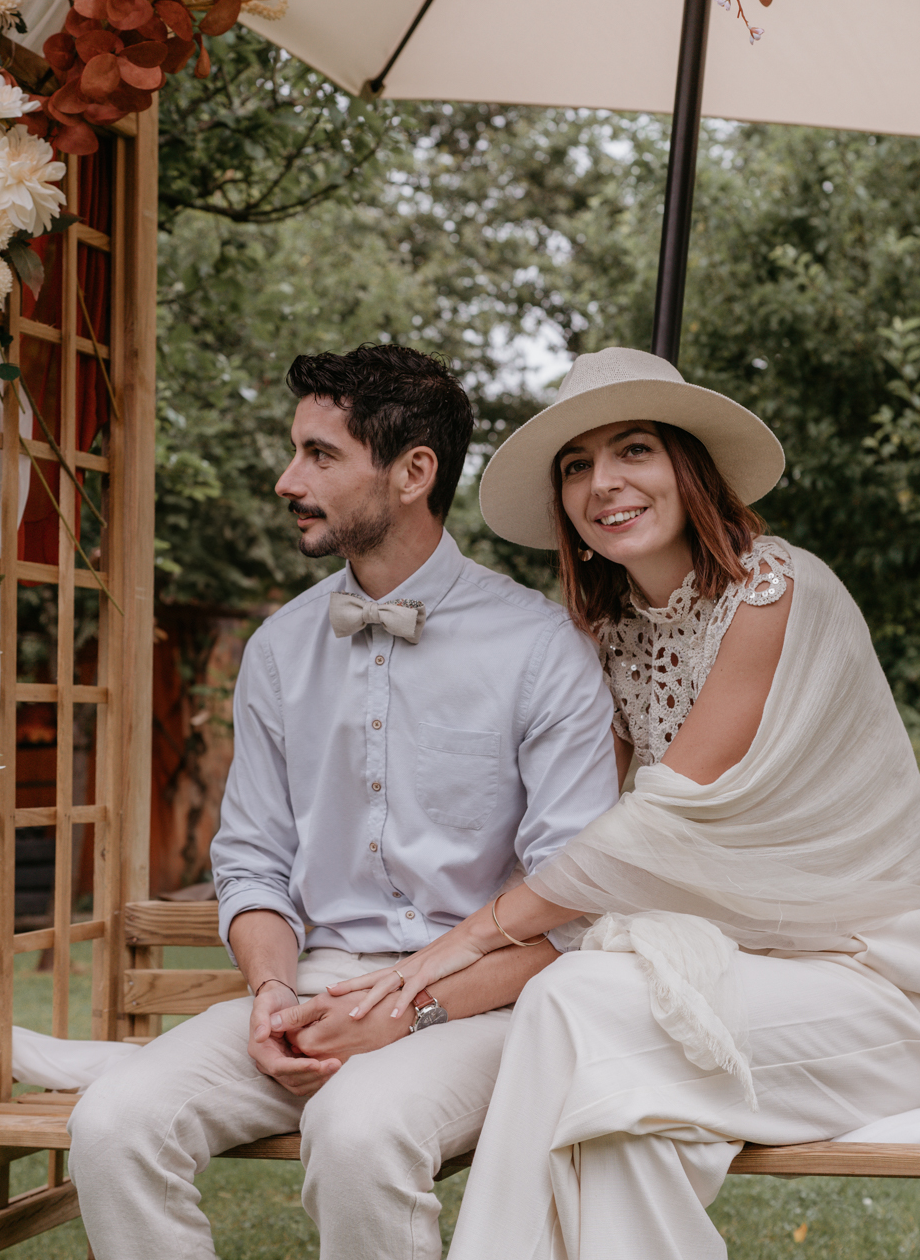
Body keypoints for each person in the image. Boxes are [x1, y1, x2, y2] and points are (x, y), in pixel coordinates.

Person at [330, 347, 920, 1260]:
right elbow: (580, 829)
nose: (605, 482)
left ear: (688, 466)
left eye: (633, 448)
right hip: (712, 986)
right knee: (613, 1129)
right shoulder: (611, 635)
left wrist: (467, 938)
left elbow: (654, 825)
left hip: (864, 1000)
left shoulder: (777, 590)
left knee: (573, 1001)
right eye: (578, 464)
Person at [66, 343, 622, 1260]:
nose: (290, 479)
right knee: (114, 1124)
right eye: (297, 451)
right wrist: (271, 990)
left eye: (321, 455)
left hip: (484, 1009)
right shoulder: (280, 651)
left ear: (413, 472)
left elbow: (574, 901)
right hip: (310, 990)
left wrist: (409, 1007)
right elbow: (251, 861)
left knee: (359, 1133)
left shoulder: (541, 649)